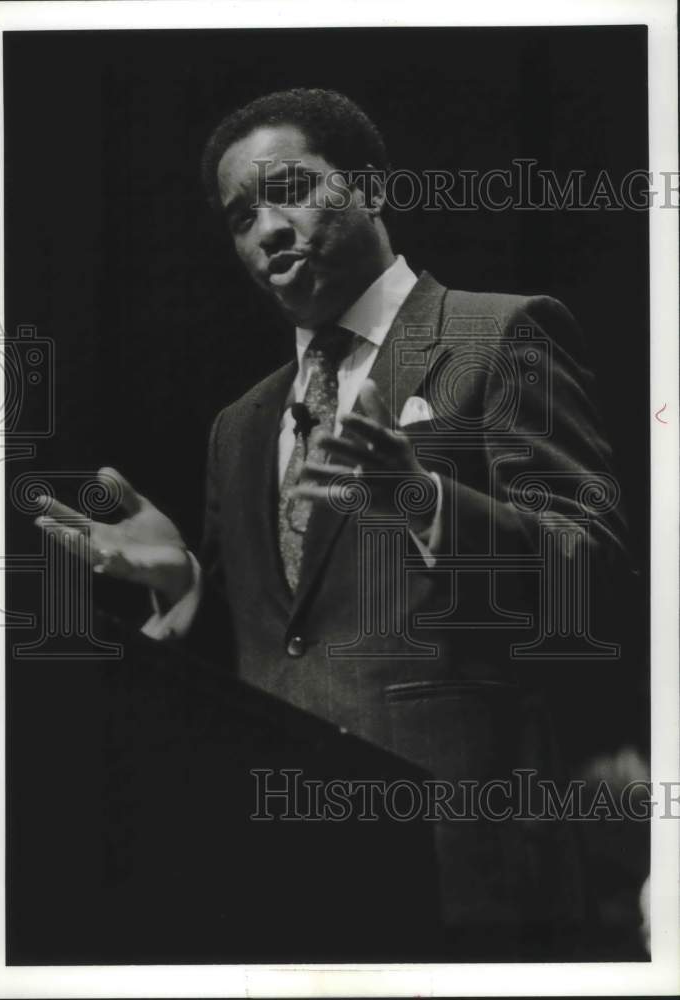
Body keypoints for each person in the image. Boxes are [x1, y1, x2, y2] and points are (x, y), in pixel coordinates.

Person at [35, 88, 630, 956]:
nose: (267, 229)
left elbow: (598, 576)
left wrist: (425, 500)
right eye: (241, 216)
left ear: (372, 190)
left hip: (466, 863)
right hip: (285, 875)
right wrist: (188, 585)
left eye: (289, 190)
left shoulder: (499, 334)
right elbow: (280, 651)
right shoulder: (239, 426)